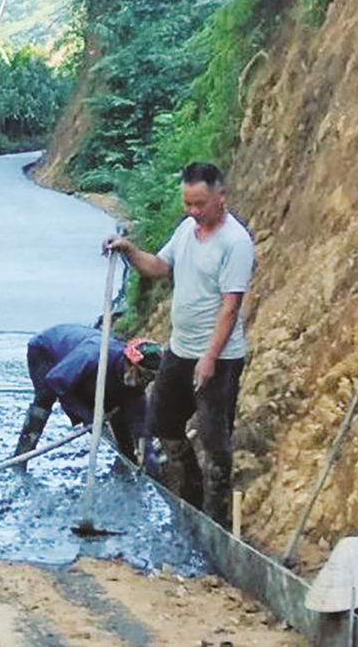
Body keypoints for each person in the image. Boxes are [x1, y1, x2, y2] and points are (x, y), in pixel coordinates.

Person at [103, 161, 255, 527]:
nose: (192, 211)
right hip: (180, 349)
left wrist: (209, 359)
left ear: (221, 197)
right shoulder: (188, 230)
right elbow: (158, 266)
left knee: (214, 438)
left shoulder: (235, 243)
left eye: (199, 204)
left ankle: (215, 521)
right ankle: (188, 497)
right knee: (163, 422)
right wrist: (128, 249)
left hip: (218, 359)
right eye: (187, 203)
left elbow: (229, 307)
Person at [12, 324, 161, 469]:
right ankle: (21, 457)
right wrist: (85, 416)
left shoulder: (134, 383)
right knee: (45, 398)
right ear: (130, 365)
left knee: (120, 406)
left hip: (82, 368)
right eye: (144, 375)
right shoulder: (92, 357)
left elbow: (139, 421)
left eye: (151, 378)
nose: (145, 382)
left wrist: (148, 453)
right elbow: (56, 381)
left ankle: (126, 466)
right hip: (45, 351)